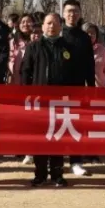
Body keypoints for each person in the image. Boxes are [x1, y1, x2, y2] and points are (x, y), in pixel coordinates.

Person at [20, 12, 81, 186]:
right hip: (39, 102)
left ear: (60, 26)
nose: (51, 26)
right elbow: (25, 72)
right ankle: (40, 174)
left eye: (55, 23)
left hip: (61, 102)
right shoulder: (34, 47)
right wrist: (26, 94)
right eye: (48, 23)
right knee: (40, 138)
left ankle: (57, 174)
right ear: (43, 26)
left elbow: (75, 75)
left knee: (58, 137)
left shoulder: (68, 48)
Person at [61, 0, 95, 178]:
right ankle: (56, 161)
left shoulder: (84, 38)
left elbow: (90, 64)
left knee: (75, 125)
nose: (72, 14)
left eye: (75, 11)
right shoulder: (58, 34)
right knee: (58, 124)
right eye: (69, 11)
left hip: (78, 87)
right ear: (63, 13)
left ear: (80, 14)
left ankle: (76, 161)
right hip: (58, 88)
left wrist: (90, 87)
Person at [8, 14, 33, 83]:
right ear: (19, 25)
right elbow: (10, 59)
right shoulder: (13, 41)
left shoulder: (37, 41)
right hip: (16, 77)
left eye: (28, 21)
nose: (25, 24)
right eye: (23, 22)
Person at [86, 23, 105, 89]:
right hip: (83, 89)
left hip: (100, 88)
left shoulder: (104, 51)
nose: (90, 35)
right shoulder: (79, 50)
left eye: (93, 33)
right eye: (87, 32)